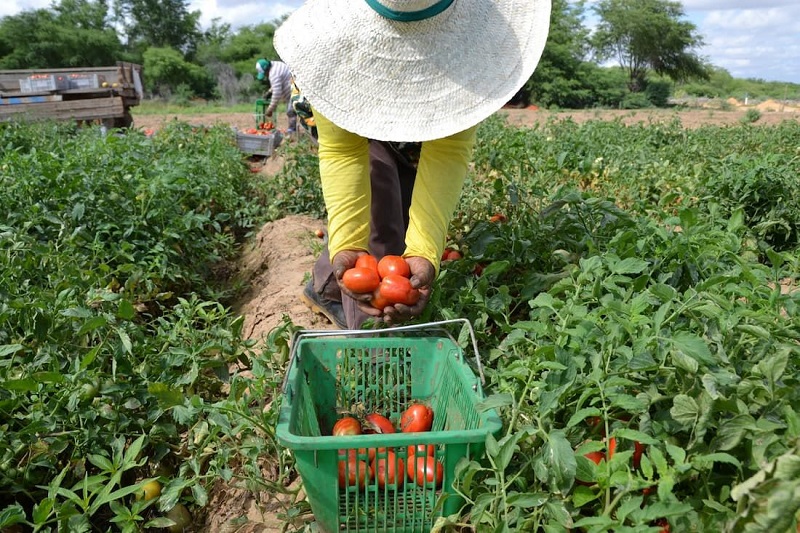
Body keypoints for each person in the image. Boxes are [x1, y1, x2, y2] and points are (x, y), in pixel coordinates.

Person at [275, 0, 551, 329]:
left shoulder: (467, 61)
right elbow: (344, 152)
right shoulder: (330, 52)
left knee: (407, 197)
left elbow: (447, 147)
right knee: (383, 212)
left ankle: (326, 288)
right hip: (336, 103)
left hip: (421, 117)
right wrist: (350, 243)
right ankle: (373, 344)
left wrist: (424, 251)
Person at [255, 58, 297, 134]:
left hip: (295, 91)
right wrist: (269, 92)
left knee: (290, 111)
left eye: (264, 73)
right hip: (294, 87)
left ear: (267, 69)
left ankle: (292, 132)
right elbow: (278, 83)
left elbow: (277, 93)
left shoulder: (273, 73)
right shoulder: (276, 64)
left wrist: (270, 109)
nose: (265, 75)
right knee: (294, 111)